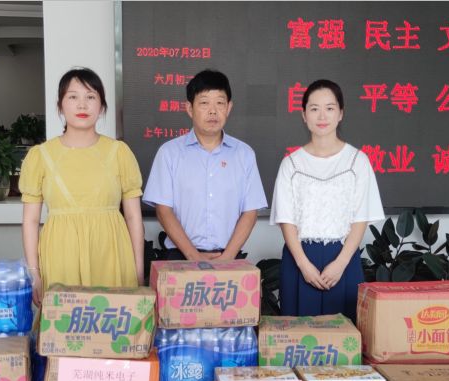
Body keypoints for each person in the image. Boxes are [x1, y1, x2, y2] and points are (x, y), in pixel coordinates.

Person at [20, 68, 145, 304]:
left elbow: (133, 217)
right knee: (65, 322)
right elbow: (30, 221)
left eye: (90, 96)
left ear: (102, 106)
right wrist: (34, 272)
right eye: (73, 97)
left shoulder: (119, 152)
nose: (82, 105)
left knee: (114, 319)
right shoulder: (40, 156)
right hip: (60, 257)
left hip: (111, 255)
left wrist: (138, 270)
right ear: (60, 106)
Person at [269, 79, 384, 322]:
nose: (322, 116)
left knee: (344, 336)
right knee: (299, 336)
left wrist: (341, 263)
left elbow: (361, 217)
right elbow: (286, 219)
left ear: (340, 113)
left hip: (344, 258)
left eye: (330, 108)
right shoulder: (291, 164)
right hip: (299, 259)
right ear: (304, 115)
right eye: (314, 108)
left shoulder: (358, 161)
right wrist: (304, 265)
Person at [143, 69, 267, 261]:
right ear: (189, 108)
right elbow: (163, 211)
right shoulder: (169, 153)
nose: (213, 111)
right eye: (204, 103)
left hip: (230, 257)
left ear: (229, 107)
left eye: (220, 103)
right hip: (181, 257)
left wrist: (227, 258)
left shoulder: (244, 154)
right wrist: (193, 256)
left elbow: (250, 212)